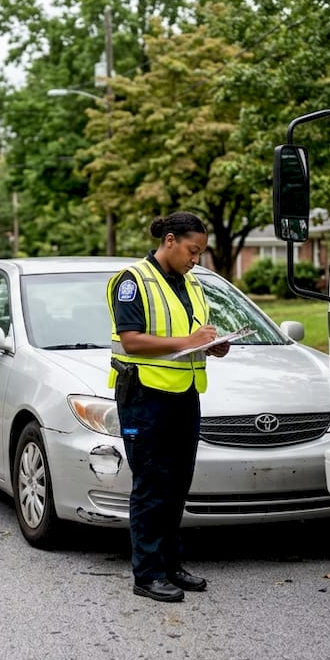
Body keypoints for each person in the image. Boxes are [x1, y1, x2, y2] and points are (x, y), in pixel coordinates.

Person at [105, 211, 229, 603]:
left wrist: (212, 344)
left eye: (201, 253)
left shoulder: (191, 284)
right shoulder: (132, 281)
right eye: (193, 250)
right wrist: (189, 340)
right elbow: (132, 341)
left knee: (177, 486)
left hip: (184, 394)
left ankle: (171, 564)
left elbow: (191, 337)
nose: (197, 259)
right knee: (151, 487)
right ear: (170, 240)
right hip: (145, 397)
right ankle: (147, 573)